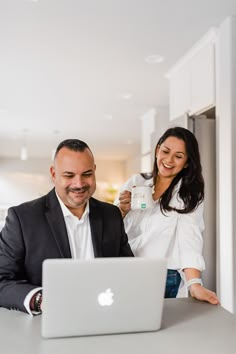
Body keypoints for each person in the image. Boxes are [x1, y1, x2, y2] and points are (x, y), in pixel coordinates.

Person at [0, 139, 133, 314]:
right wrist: (40, 300)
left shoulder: (111, 215)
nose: (79, 184)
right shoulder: (22, 218)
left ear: (94, 171)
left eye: (86, 174)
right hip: (47, 324)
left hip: (106, 317)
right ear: (53, 174)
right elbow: (2, 281)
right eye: (69, 175)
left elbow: (129, 272)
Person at [115, 127, 219, 305]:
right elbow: (113, 231)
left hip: (162, 276)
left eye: (178, 156)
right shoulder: (136, 182)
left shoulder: (188, 194)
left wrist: (194, 283)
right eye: (165, 151)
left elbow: (190, 238)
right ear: (157, 151)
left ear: (187, 162)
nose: (169, 160)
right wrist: (120, 211)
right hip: (128, 270)